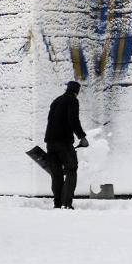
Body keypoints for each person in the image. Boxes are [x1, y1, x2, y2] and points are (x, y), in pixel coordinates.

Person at [45, 80, 88, 209]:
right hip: (64, 142)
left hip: (50, 143)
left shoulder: (56, 101)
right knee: (71, 170)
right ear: (77, 91)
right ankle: (66, 203)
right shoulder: (72, 101)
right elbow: (73, 120)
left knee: (56, 173)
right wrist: (82, 137)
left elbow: (50, 120)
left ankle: (57, 203)